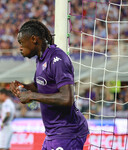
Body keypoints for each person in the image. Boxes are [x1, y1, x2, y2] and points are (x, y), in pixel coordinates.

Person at [10, 20, 89, 150]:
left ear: (34, 39)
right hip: (53, 134)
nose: (20, 47)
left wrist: (32, 95)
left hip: (67, 133)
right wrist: (24, 87)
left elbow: (67, 99)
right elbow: (40, 86)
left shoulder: (57, 59)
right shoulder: (41, 59)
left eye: (21, 43)